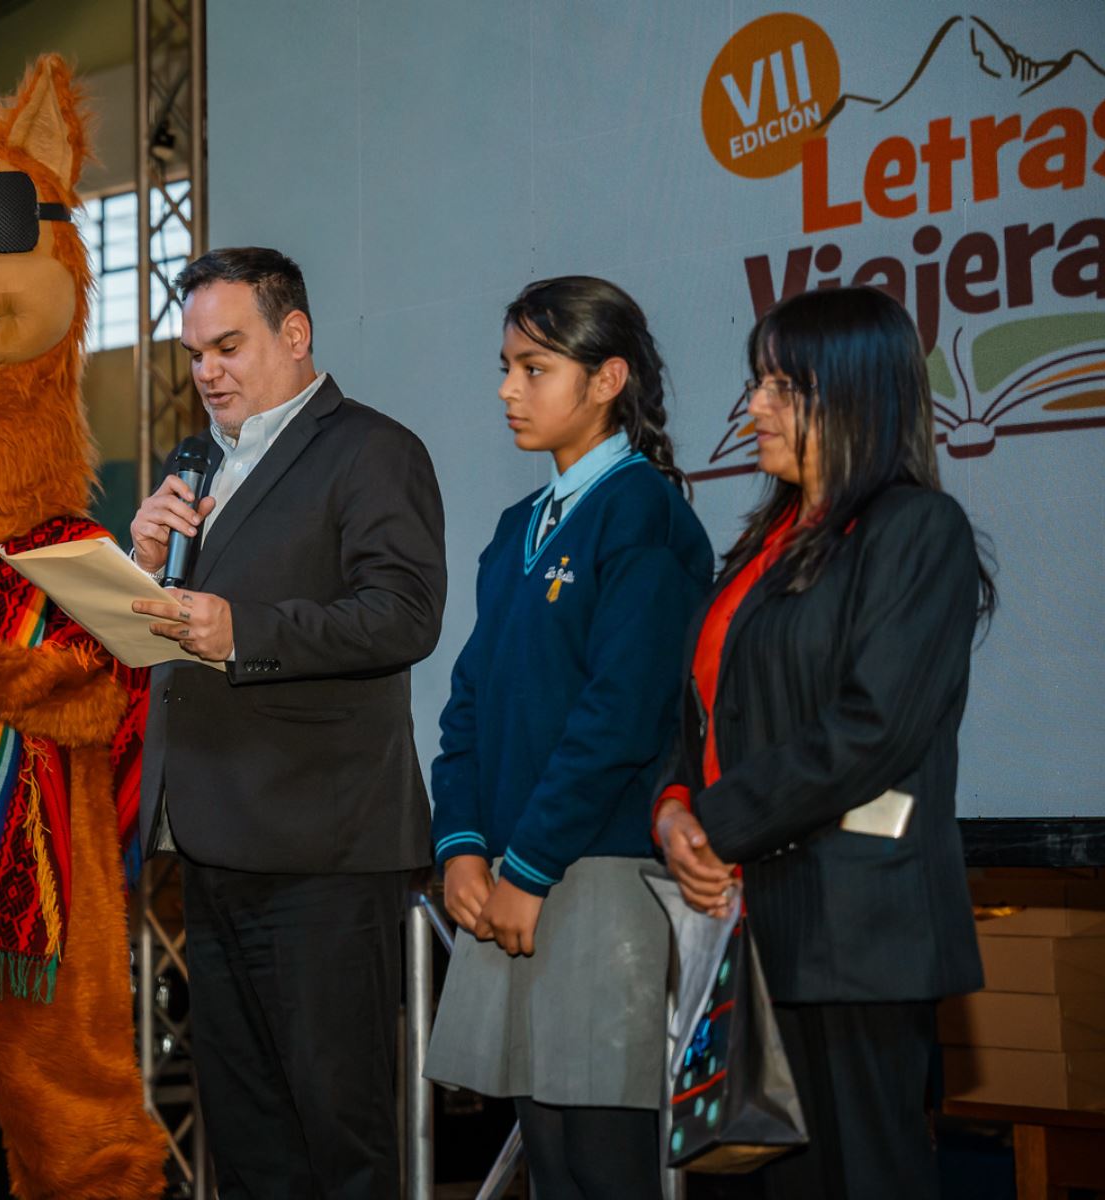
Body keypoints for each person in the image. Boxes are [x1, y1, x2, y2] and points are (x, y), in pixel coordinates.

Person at [656, 287, 994, 1198]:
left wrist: (716, 823)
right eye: (758, 382)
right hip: (748, 924)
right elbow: (705, 711)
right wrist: (675, 808)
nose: (754, 406)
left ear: (854, 395)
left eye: (781, 385)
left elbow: (871, 728)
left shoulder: (917, 530)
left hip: (855, 937)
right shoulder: (769, 540)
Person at [128, 246, 447, 1198]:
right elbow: (170, 633)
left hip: (324, 851)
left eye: (228, 346)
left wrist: (243, 631)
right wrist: (141, 570)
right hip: (216, 845)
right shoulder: (196, 466)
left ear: (295, 335)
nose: (207, 373)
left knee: (337, 1133)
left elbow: (402, 615)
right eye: (193, 354)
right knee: (250, 1134)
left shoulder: (371, 449)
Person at [425, 277, 713, 1198]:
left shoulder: (643, 512)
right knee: (549, 1161)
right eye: (506, 368)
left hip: (592, 876)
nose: (508, 389)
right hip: (513, 877)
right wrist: (462, 846)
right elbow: (469, 703)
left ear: (607, 378)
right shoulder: (519, 527)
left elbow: (620, 716)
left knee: (603, 1164)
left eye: (534, 368)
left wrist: (529, 865)